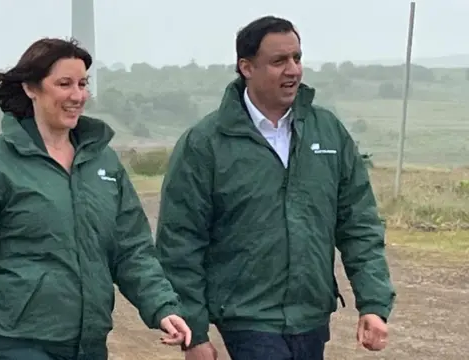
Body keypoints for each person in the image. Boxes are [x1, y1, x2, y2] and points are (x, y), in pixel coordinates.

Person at [0, 37, 191, 360]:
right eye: (64, 84)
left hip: (89, 343)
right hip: (19, 342)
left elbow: (132, 250)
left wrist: (163, 307)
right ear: (31, 88)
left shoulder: (104, 163)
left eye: (83, 84)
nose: (77, 95)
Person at [155, 16, 396, 360]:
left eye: (297, 58)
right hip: (243, 319)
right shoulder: (205, 144)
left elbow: (359, 224)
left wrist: (373, 303)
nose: (293, 70)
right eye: (279, 61)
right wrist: (194, 332)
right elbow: (179, 243)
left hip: (311, 318)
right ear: (246, 67)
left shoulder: (327, 132)